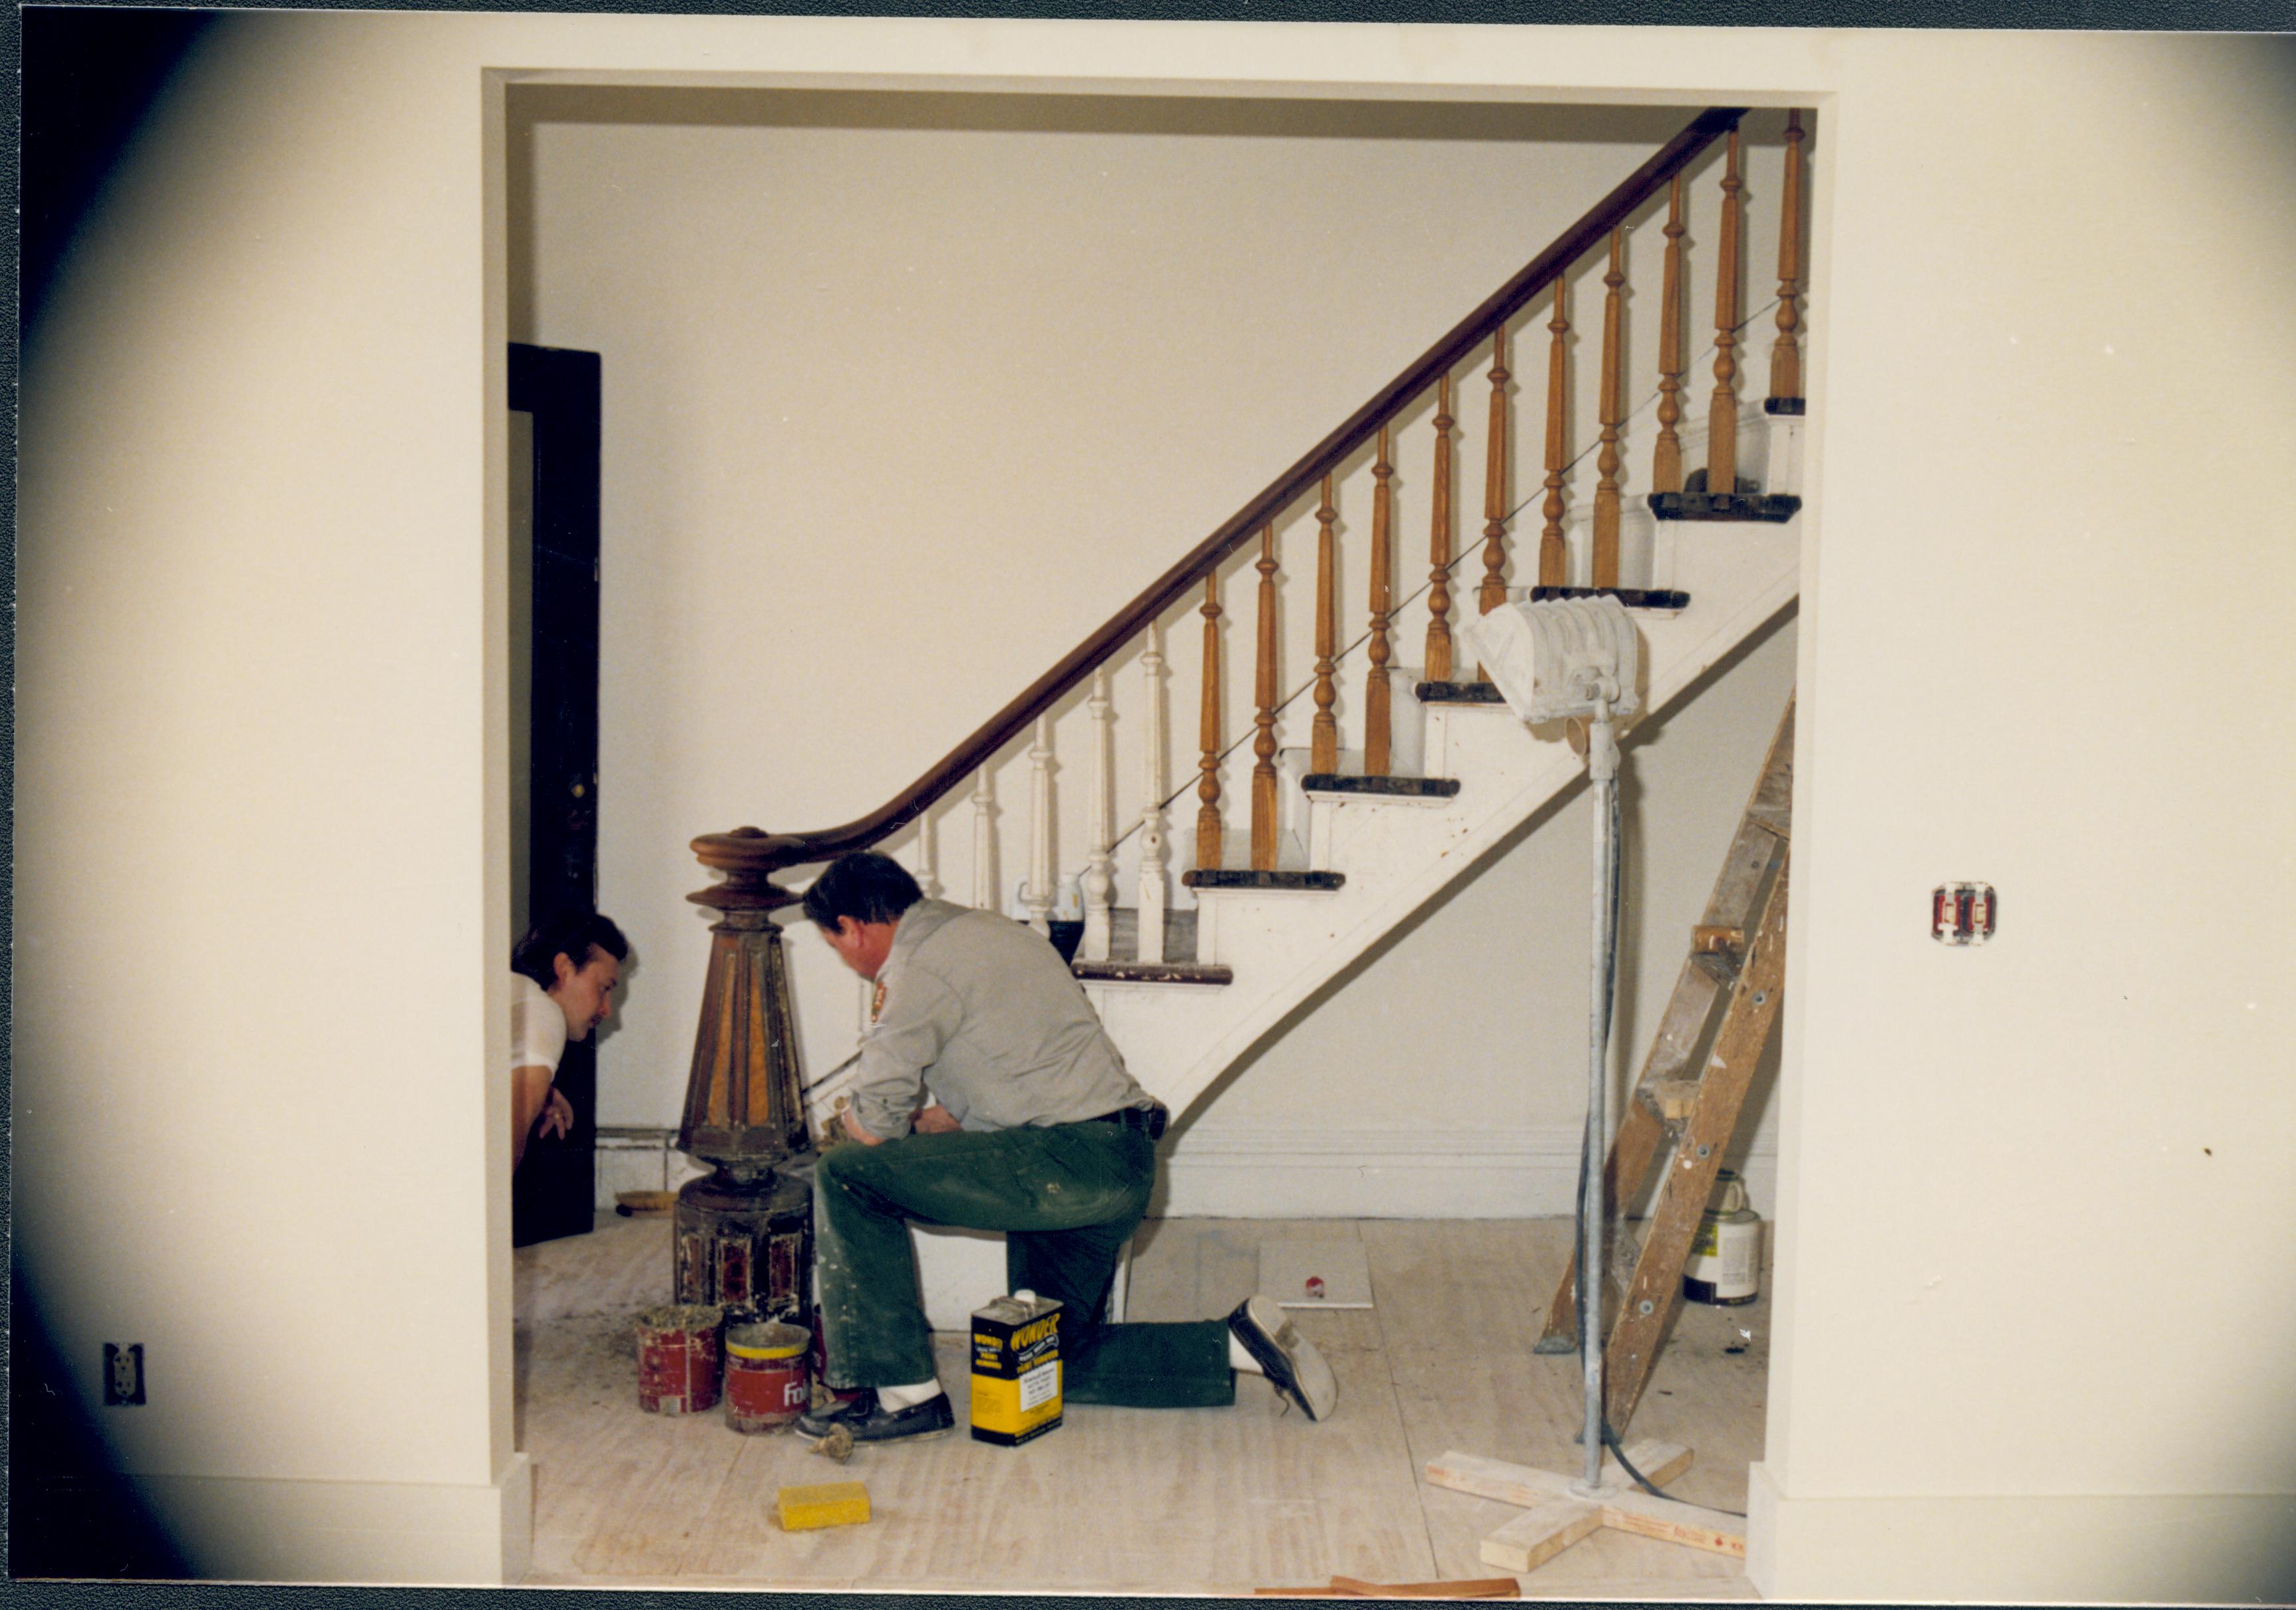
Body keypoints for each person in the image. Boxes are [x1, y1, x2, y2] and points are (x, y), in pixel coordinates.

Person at [792, 850, 1335, 1445]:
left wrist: (848, 1132)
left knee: (845, 1174)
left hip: (1064, 1162)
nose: (846, 959)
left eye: (834, 943)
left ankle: (902, 1396)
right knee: (1047, 1360)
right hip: (1118, 1159)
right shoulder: (987, 930)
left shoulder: (917, 966)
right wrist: (951, 1118)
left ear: (855, 925)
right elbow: (1025, 1062)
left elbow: (874, 1123)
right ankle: (1236, 1342)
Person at [509, 911, 628, 1172]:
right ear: (564, 969)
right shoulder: (544, 1014)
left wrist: (541, 1092)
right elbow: (501, 1155)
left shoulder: (515, 994)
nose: (607, 1010)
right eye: (604, 988)